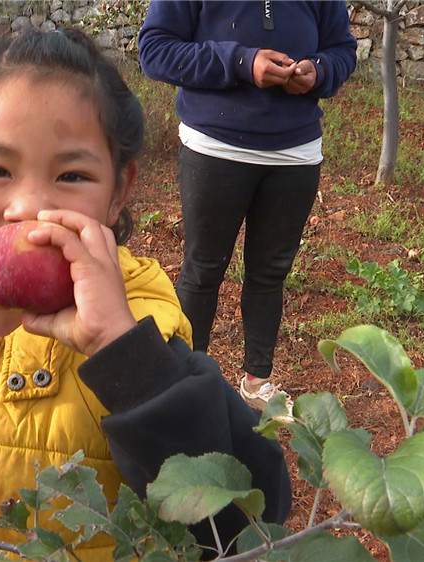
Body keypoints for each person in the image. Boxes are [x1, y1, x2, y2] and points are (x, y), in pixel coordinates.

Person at [0, 29, 291, 561]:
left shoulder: (145, 343)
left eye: (71, 175)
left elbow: (249, 521)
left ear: (117, 192)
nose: (28, 207)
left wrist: (126, 359)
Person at [138, 1, 357, 412]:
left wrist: (320, 71)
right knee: (203, 268)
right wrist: (241, 61)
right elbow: (155, 50)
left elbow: (343, 50)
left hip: (295, 155)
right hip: (215, 147)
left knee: (270, 272)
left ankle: (258, 381)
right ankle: (189, 382)